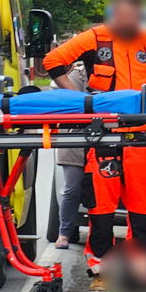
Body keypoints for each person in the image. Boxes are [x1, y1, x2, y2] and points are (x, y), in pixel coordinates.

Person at [43, 0, 146, 290]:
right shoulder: (93, 39)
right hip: (104, 137)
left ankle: (140, 273)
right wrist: (81, 100)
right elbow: (52, 62)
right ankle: (101, 272)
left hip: (137, 137)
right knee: (102, 209)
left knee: (140, 209)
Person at [54, 63, 89, 249]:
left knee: (101, 191)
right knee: (72, 189)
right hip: (75, 140)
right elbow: (72, 102)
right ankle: (64, 233)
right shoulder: (78, 74)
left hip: (102, 140)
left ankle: (99, 235)